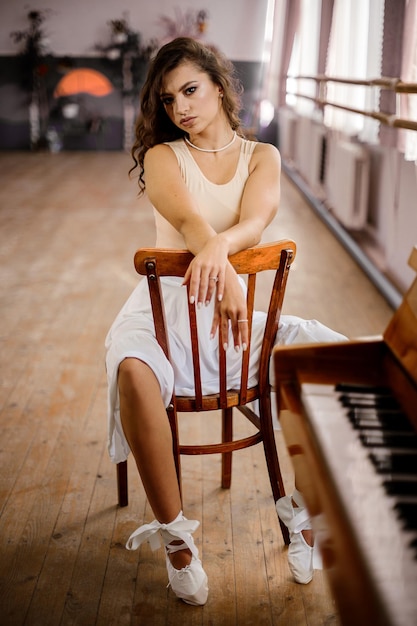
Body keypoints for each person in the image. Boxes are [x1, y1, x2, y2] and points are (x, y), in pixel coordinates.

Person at [105, 37, 346, 605]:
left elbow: (257, 221)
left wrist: (224, 262)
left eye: (190, 90)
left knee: (337, 360)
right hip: (164, 309)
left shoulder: (262, 156)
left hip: (230, 312)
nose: (181, 107)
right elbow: (188, 219)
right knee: (134, 372)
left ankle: (303, 512)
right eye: (168, 100)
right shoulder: (166, 156)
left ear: (219, 85)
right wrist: (220, 259)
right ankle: (177, 539)